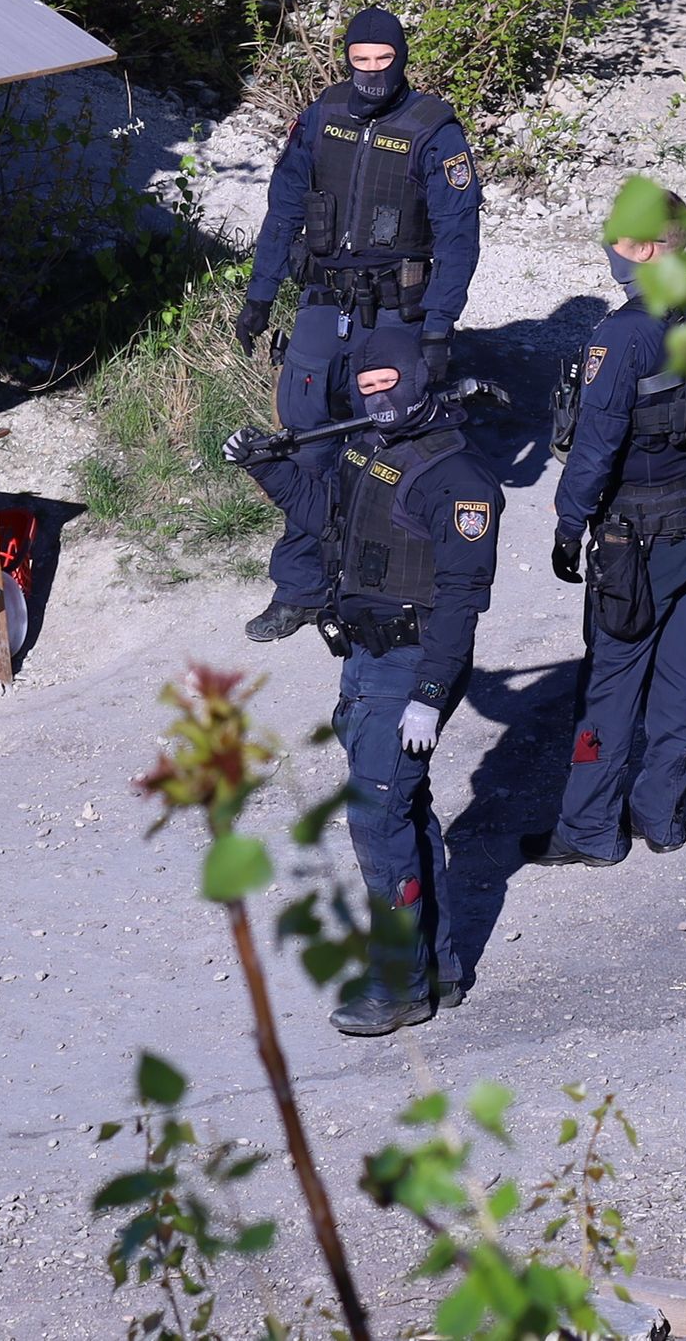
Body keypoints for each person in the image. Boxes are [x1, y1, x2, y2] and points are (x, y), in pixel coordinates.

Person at [250, 343, 502, 1035]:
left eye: (389, 381)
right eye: (366, 385)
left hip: (413, 663)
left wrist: (430, 692)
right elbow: (326, 516)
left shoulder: (459, 479)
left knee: (379, 823)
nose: (377, 397)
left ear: (418, 380)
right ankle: (438, 970)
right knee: (405, 811)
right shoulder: (369, 447)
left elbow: (461, 601)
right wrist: (265, 466)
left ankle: (398, 990)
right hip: (365, 657)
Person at [236, 6, 481, 643]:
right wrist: (260, 295)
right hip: (322, 304)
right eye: (360, 60)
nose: (372, 72)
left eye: (384, 59)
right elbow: (283, 208)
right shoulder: (321, 117)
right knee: (305, 443)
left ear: (402, 59)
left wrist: (438, 327)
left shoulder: (434, 130)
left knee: (385, 449)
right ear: (346, 58)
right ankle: (298, 590)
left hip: (396, 314)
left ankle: (381, 589)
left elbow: (458, 237)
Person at [528, 219, 686, 867]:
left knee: (609, 685)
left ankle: (591, 829)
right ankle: (663, 816)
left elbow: (596, 445)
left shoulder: (624, 334)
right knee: (682, 671)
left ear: (646, 249)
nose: (607, 249)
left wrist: (569, 525)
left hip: (637, 537)